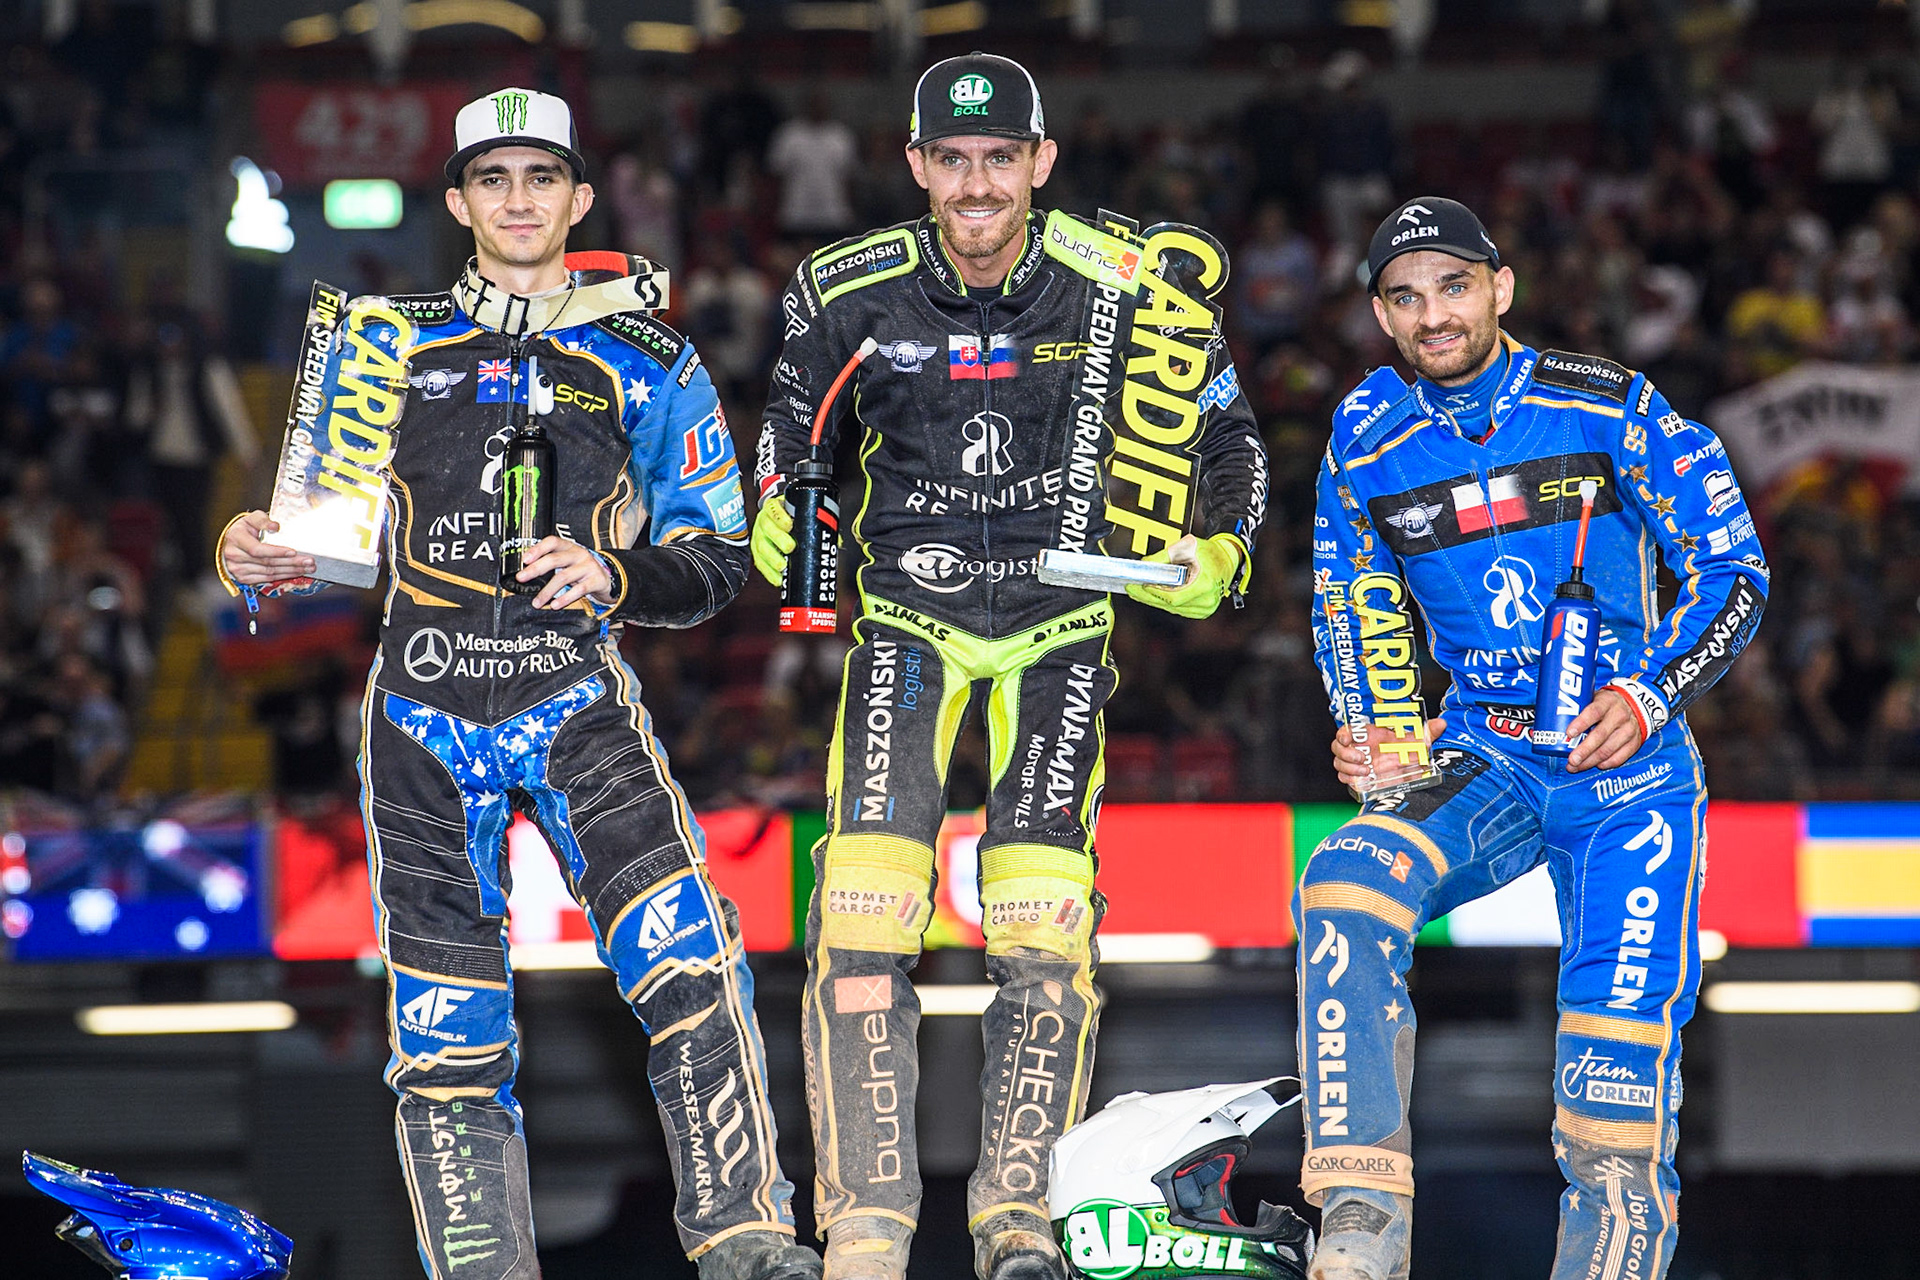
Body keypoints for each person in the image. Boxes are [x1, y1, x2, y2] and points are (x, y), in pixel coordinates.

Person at [216, 88, 819, 1280]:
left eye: (541, 177)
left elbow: (718, 557)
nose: (519, 199)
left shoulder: (651, 358)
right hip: (419, 727)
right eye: (492, 179)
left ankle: (748, 1244)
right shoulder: (377, 345)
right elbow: (311, 549)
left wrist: (615, 568)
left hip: (578, 704)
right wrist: (249, 552)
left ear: (582, 197)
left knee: (692, 959)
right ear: (457, 203)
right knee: (444, 1042)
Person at [750, 53, 1268, 1280]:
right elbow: (784, 428)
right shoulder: (842, 285)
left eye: (1001, 158)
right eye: (952, 158)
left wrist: (1225, 549)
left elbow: (1232, 432)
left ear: (1041, 162)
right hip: (904, 625)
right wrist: (777, 502)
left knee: (1043, 927)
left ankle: (1018, 1224)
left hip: (1064, 622)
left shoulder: (1134, 281)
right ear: (919, 165)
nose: (977, 183)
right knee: (863, 909)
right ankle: (867, 1232)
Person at [1300, 196, 1769, 1280]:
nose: (1435, 315)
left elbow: (1733, 566)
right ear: (1381, 313)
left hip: (1633, 781)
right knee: (1344, 882)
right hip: (1487, 759)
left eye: (1454, 286)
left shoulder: (1607, 404)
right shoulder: (1365, 437)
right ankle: (1361, 1215)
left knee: (1610, 1107)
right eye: (1407, 297)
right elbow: (1350, 586)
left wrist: (1650, 692)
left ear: (1500, 288)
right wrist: (1373, 725)